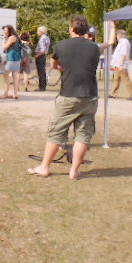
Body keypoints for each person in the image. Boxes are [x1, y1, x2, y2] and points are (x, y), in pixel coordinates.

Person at [28, 15, 100, 180]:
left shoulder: (62, 45)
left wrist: (64, 68)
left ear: (72, 29)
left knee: (57, 132)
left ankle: (44, 167)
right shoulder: (94, 47)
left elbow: (53, 64)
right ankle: (74, 170)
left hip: (68, 94)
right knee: (83, 134)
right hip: (90, 95)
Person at [110, 29, 132, 100]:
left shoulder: (124, 42)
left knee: (126, 80)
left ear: (120, 35)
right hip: (117, 65)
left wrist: (122, 65)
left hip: (121, 65)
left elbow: (124, 54)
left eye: (117, 35)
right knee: (117, 80)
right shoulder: (121, 42)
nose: (116, 36)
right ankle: (113, 93)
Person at [0, 25, 22, 100]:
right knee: (14, 76)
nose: (4, 32)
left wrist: (4, 39)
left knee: (5, 75)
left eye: (6, 30)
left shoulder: (12, 37)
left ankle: (6, 93)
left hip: (12, 58)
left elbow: (5, 47)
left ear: (9, 30)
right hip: (17, 58)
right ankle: (15, 94)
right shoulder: (16, 37)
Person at [34, 26, 50, 91]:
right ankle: (43, 85)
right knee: (43, 71)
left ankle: (41, 87)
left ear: (41, 32)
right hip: (43, 56)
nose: (37, 32)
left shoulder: (42, 39)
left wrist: (37, 56)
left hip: (40, 56)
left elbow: (42, 50)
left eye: (38, 31)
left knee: (40, 71)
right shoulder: (47, 38)